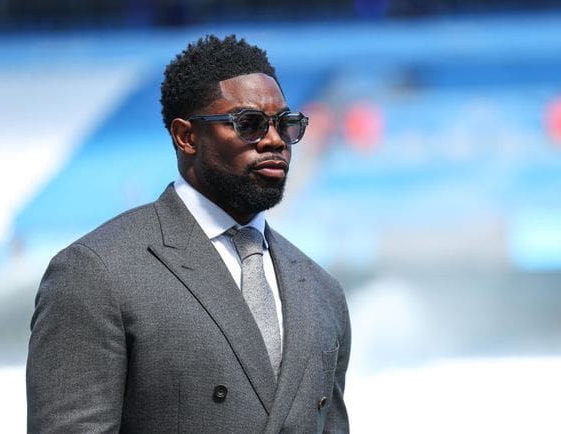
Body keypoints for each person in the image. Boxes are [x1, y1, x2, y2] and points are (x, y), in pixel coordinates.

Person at [26, 34, 351, 433]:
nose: (274, 141)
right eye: (248, 124)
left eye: (286, 124)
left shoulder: (321, 290)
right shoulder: (98, 272)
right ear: (186, 136)